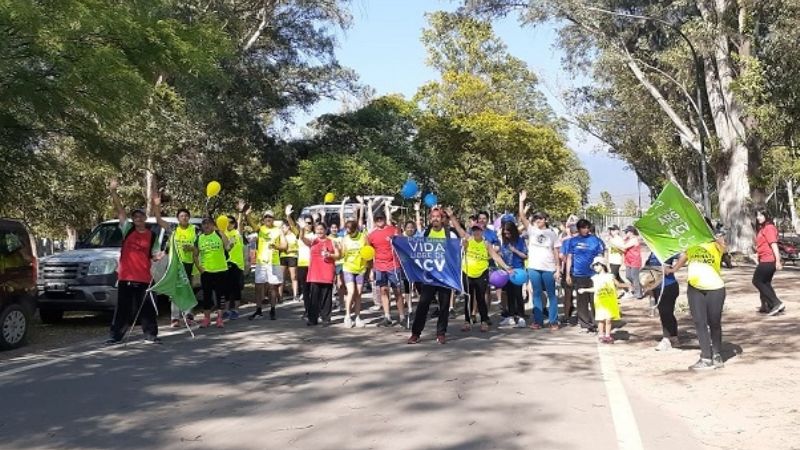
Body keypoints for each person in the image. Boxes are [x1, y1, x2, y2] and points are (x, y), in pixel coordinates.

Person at [106, 180, 164, 345]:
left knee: (146, 308)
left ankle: (151, 335)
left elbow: (154, 255)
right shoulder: (127, 229)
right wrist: (113, 192)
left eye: (140, 216)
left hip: (144, 277)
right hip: (125, 276)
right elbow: (120, 210)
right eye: (135, 217)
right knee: (122, 308)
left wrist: (157, 257)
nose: (138, 218)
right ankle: (115, 335)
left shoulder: (151, 236)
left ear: (145, 218)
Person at [667, 228, 727, 370]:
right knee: (700, 322)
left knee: (714, 322)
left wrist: (718, 239)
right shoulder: (691, 243)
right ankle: (706, 357)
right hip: (695, 288)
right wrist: (673, 269)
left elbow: (724, 249)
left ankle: (717, 354)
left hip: (715, 288)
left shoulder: (716, 244)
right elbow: (684, 257)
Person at [447, 209, 511, 333]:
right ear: (472, 230)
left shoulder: (486, 243)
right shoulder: (468, 239)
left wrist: (506, 267)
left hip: (482, 273)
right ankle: (467, 321)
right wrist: (452, 216)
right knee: (468, 298)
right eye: (474, 229)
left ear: (482, 231)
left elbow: (495, 256)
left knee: (481, 298)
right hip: (467, 273)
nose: (476, 232)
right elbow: (458, 228)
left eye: (479, 230)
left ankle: (484, 321)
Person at [408, 207, 459, 344]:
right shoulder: (425, 233)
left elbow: (458, 247)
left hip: (445, 276)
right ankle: (415, 333)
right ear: (430, 219)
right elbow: (413, 246)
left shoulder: (450, 234)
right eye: (433, 216)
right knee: (423, 304)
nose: (435, 219)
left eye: (438, 216)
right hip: (429, 276)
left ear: (442, 219)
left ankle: (441, 333)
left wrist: (463, 245)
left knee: (444, 306)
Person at [519, 191, 561, 330]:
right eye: (536, 218)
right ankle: (538, 321)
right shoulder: (531, 230)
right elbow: (522, 216)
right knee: (536, 294)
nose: (538, 220)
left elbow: (556, 251)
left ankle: (553, 321)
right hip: (534, 267)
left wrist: (558, 269)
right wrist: (521, 201)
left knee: (551, 295)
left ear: (546, 220)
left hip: (548, 268)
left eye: (541, 218)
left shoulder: (552, 234)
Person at [368, 202, 406, 327]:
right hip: (379, 266)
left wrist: (398, 232)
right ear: (374, 221)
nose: (379, 221)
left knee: (397, 291)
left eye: (381, 218)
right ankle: (387, 316)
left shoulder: (392, 230)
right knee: (383, 290)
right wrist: (370, 270)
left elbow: (401, 242)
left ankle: (402, 316)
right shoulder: (371, 235)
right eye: (377, 219)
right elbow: (368, 253)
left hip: (393, 265)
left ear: (385, 219)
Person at [564, 219, 606, 332]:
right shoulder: (572, 241)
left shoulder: (596, 241)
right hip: (578, 274)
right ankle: (584, 323)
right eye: (583, 228)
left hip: (593, 274)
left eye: (587, 227)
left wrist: (603, 272)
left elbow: (601, 256)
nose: (585, 230)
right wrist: (568, 274)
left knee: (595, 299)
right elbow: (569, 258)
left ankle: (597, 322)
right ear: (578, 229)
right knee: (581, 300)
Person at [246, 208, 287, 320]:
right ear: (263, 219)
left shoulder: (278, 230)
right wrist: (247, 214)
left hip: (273, 263)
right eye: (266, 217)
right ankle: (258, 310)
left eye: (270, 217)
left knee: (272, 288)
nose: (268, 219)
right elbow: (251, 222)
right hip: (261, 263)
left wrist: (276, 246)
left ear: (273, 219)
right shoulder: (260, 229)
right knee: (258, 287)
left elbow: (284, 246)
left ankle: (272, 309)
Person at [301, 222, 341, 326]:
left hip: (327, 272)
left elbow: (338, 255)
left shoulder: (332, 241)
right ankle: (312, 319)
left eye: (321, 229)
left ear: (325, 230)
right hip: (315, 273)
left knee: (326, 297)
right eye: (317, 229)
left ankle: (326, 318)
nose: (319, 231)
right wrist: (302, 228)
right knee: (313, 298)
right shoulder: (313, 241)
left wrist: (330, 254)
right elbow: (302, 238)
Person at [577, 256, 622, 344]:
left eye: (597, 265)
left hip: (609, 301)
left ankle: (608, 335)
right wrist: (585, 290)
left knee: (608, 319)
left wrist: (624, 286)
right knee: (601, 319)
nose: (595, 267)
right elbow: (595, 289)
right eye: (594, 266)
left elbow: (618, 284)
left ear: (602, 265)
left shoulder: (610, 276)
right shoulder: (595, 278)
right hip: (600, 302)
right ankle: (601, 335)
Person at [642, 253, 680, 351]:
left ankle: (666, 339)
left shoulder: (666, 248)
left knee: (666, 312)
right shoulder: (652, 251)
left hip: (668, 285)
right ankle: (673, 336)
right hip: (656, 286)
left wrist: (673, 269)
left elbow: (685, 255)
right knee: (664, 313)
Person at [340, 199, 367, 328]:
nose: (349, 233)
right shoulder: (345, 238)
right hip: (348, 268)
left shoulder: (363, 236)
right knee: (351, 291)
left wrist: (362, 204)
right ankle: (347, 316)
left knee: (359, 293)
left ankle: (358, 317)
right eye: (348, 231)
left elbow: (368, 251)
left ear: (356, 229)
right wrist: (338, 251)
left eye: (351, 231)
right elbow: (342, 254)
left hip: (361, 268)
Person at [752, 210, 785, 316]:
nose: (758, 217)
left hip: (769, 260)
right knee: (765, 283)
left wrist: (778, 261)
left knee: (757, 281)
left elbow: (774, 244)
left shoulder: (769, 228)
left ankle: (776, 303)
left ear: (767, 215)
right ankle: (767, 305)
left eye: (761, 215)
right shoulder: (763, 228)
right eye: (757, 215)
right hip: (764, 259)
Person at [169, 208, 198, 327]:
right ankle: (175, 318)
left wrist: (192, 248)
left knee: (187, 290)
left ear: (189, 217)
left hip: (189, 263)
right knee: (176, 291)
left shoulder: (194, 229)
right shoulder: (173, 230)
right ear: (178, 218)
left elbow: (198, 248)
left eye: (186, 215)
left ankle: (188, 316)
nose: (184, 218)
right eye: (181, 216)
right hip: (176, 263)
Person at [498, 221, 528, 328]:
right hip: (507, 270)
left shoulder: (520, 241)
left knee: (518, 294)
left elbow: (525, 255)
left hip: (517, 270)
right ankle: (510, 316)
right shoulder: (505, 242)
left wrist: (514, 250)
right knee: (509, 293)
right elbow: (502, 254)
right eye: (505, 234)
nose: (507, 235)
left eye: (509, 233)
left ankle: (520, 316)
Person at [224, 213, 246, 320]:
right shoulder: (222, 233)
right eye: (227, 222)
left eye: (231, 222)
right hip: (225, 264)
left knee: (236, 288)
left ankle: (236, 310)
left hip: (237, 264)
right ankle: (226, 310)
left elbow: (240, 222)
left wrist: (241, 212)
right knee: (227, 288)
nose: (229, 224)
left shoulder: (237, 233)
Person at [559, 223, 579, 325]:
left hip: (570, 270)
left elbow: (562, 256)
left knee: (568, 294)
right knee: (578, 294)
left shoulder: (566, 242)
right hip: (576, 271)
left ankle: (567, 316)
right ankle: (579, 316)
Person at [279, 220, 300, 302]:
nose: (282, 229)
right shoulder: (281, 236)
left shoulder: (294, 234)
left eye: (283, 227)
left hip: (292, 256)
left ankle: (295, 295)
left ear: (288, 227)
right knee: (281, 277)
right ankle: (280, 297)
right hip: (283, 256)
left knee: (293, 276)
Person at [621, 226, 643, 299]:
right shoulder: (628, 239)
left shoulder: (634, 239)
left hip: (635, 260)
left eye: (626, 232)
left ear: (630, 232)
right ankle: (639, 288)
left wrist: (614, 244)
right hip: (628, 260)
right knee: (628, 276)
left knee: (634, 276)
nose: (625, 233)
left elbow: (624, 247)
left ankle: (638, 293)